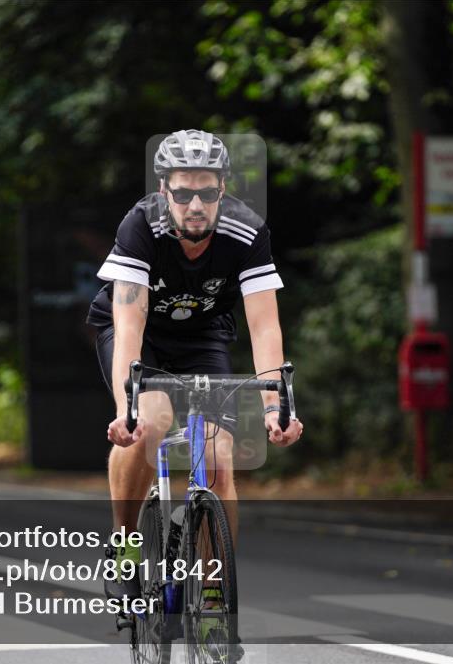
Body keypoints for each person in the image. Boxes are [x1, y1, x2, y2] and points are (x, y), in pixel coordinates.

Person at [87, 130, 304, 604]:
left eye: (207, 192)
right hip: (139, 332)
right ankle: (124, 544)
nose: (196, 205)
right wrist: (127, 409)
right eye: (183, 194)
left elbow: (264, 326)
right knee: (151, 420)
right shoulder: (141, 226)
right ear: (164, 190)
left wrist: (275, 406)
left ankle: (212, 592)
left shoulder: (247, 231)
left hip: (203, 336)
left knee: (219, 455)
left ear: (222, 189)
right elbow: (130, 324)